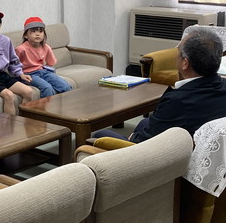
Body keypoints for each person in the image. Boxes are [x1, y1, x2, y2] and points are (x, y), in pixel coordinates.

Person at [93, 27, 226, 143]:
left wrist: (133, 138)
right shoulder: (223, 86)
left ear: (185, 63)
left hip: (164, 157)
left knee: (100, 135)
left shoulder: (176, 101)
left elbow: (144, 143)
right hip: (201, 144)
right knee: (144, 123)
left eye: (178, 50)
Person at [15, 17, 72, 98]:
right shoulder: (20, 49)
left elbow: (51, 63)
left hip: (43, 72)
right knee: (47, 88)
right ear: (26, 35)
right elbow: (13, 65)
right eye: (33, 31)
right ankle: (47, 106)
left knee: (65, 86)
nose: (37, 34)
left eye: (41, 31)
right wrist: (21, 75)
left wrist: (48, 72)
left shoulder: (46, 47)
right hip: (28, 75)